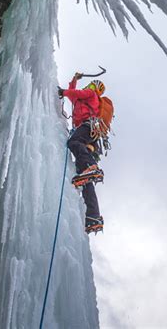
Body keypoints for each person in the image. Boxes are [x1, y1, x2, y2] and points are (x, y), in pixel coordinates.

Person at [58, 73, 105, 234]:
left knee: (73, 143)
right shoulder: (82, 101)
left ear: (95, 89)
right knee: (84, 178)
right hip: (89, 138)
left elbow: (76, 94)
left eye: (92, 85)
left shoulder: (91, 95)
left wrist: (63, 92)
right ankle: (93, 216)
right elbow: (74, 95)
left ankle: (92, 166)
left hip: (87, 128)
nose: (89, 87)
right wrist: (74, 81)